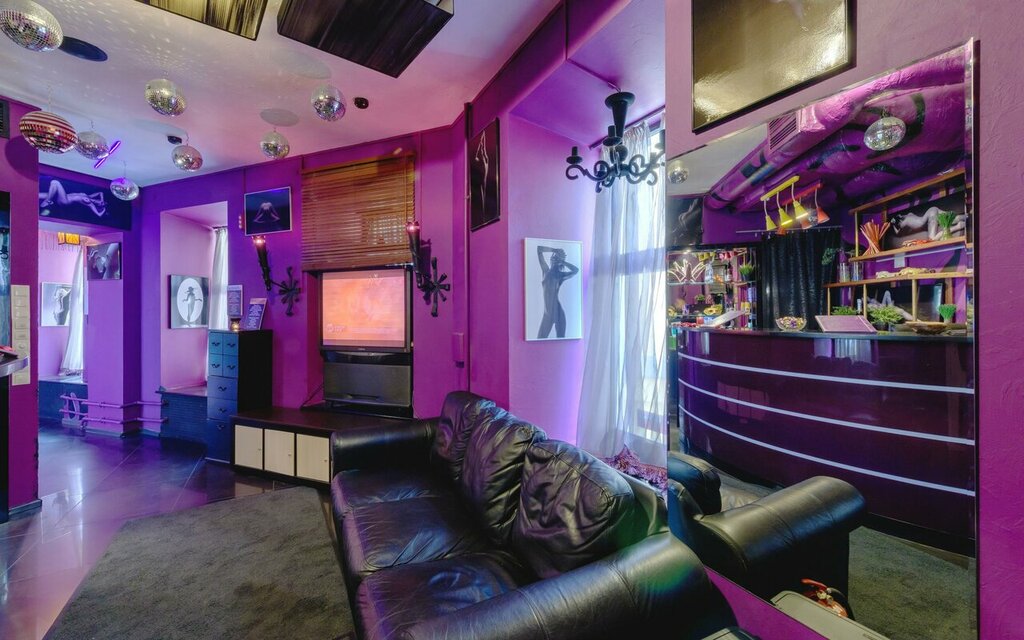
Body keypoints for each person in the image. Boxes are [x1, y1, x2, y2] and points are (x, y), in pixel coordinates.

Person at [537, 245, 579, 339]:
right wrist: (555, 250)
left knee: (561, 341)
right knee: (539, 339)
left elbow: (576, 270)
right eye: (555, 257)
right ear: (552, 258)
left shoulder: (560, 275)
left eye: (558, 258)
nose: (555, 259)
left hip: (559, 313)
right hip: (547, 314)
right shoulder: (545, 271)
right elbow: (539, 249)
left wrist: (562, 261)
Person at [39, 179, 107, 218]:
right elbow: (100, 193)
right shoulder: (90, 196)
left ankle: (48, 201)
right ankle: (48, 200)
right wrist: (102, 200)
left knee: (55, 182)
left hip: (65, 201)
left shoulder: (90, 204)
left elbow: (99, 215)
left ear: (99, 205)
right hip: (61, 196)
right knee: (38, 194)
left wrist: (104, 209)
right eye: (103, 202)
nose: (101, 202)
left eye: (102, 204)